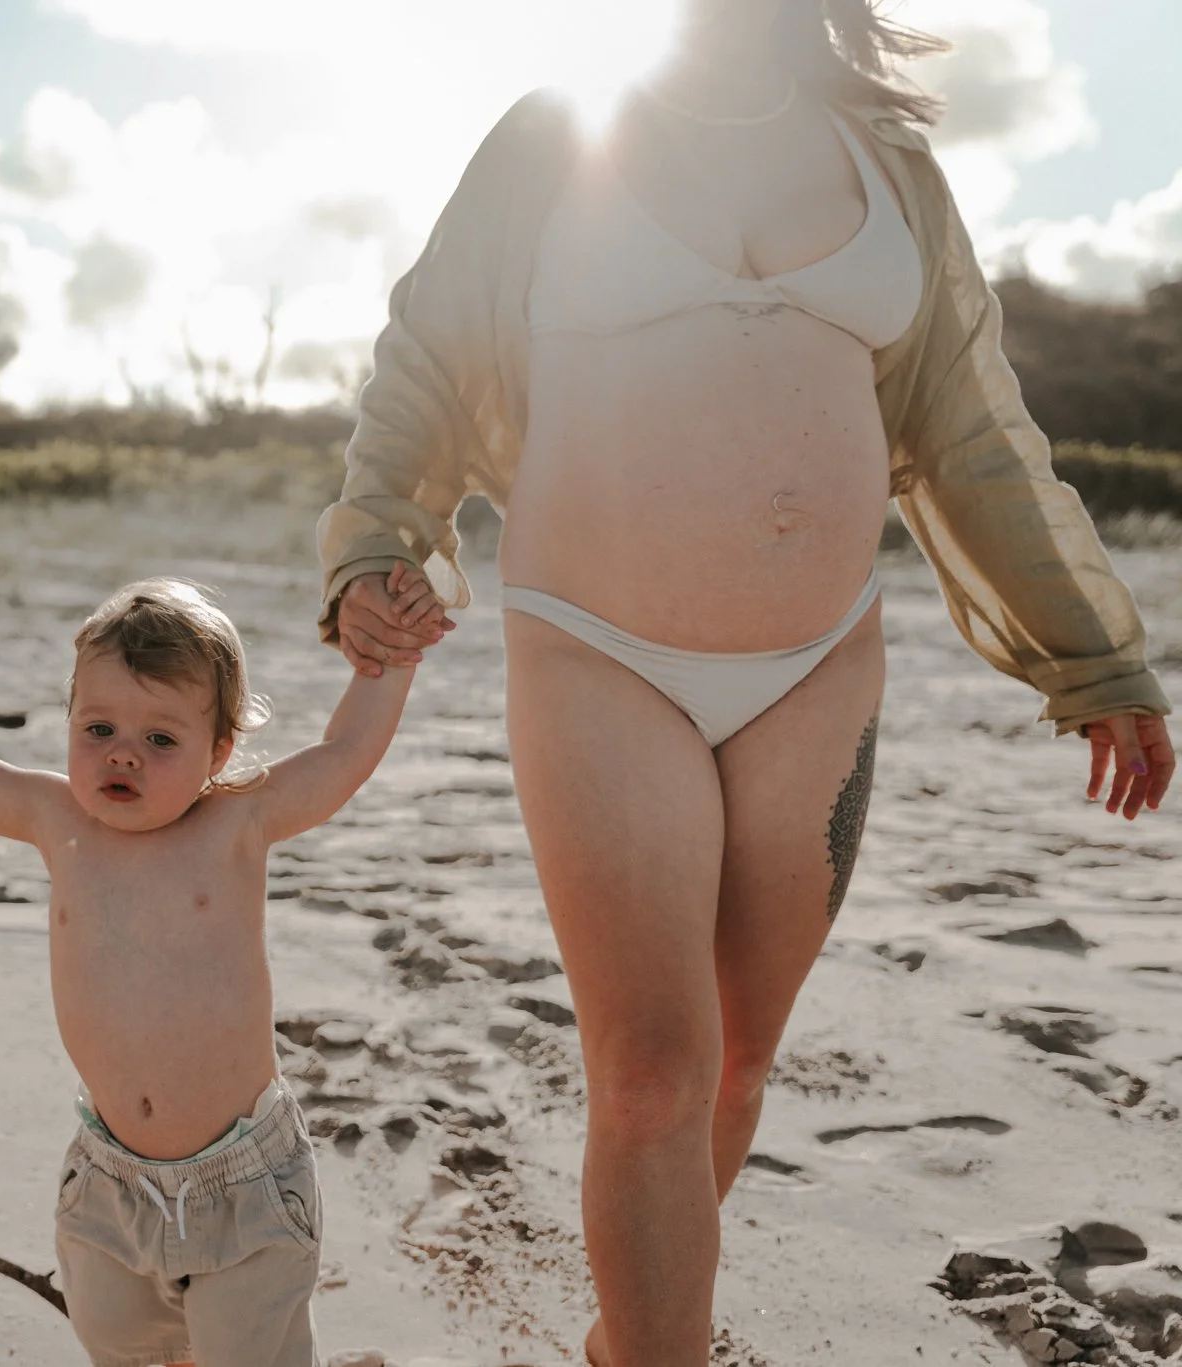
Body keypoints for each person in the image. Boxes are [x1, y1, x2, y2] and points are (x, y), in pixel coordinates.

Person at [318, 1, 1175, 1363]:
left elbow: (974, 431)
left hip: (818, 663)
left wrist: (1095, 654)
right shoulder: (556, 138)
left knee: (732, 1069)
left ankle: (633, 1329)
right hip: (598, 649)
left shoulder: (888, 168)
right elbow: (424, 356)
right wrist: (375, 545)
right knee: (653, 1072)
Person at [0, 572, 429, 1367]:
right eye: (97, 728)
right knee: (119, 1344)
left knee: (250, 1352)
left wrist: (396, 659)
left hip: (244, 1178)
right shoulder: (54, 816)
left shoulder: (238, 821)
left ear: (218, 753)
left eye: (162, 739)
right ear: (68, 722)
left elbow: (344, 752)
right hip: (109, 1178)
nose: (123, 753)